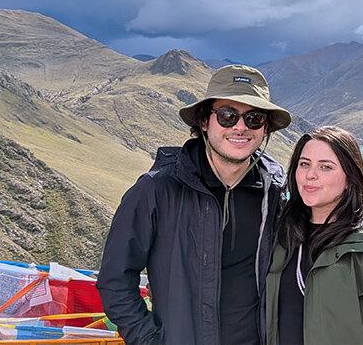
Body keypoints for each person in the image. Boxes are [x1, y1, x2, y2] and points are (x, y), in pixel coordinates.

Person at [97, 65, 292, 344]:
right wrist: (150, 341)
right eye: (227, 115)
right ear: (203, 121)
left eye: (254, 118)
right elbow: (115, 280)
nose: (240, 127)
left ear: (265, 128)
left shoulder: (276, 194)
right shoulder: (156, 190)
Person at [265, 126, 363, 345]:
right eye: (304, 164)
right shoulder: (281, 233)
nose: (310, 175)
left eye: (325, 167)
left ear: (350, 179)